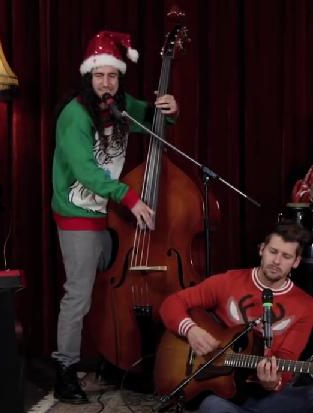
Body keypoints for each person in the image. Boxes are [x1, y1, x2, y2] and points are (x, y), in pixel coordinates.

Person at [51, 31, 179, 404]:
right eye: (99, 76)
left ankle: (114, 360)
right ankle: (64, 371)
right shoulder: (75, 115)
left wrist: (168, 109)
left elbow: (157, 120)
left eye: (112, 76)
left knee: (115, 284)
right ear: (87, 77)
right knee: (78, 295)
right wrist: (132, 199)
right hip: (78, 215)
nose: (106, 83)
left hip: (107, 213)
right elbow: (86, 171)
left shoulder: (119, 104)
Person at [159, 222, 313, 413]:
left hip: (261, 393)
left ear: (296, 262)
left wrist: (274, 382)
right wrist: (190, 330)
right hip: (220, 388)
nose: (277, 261)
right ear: (262, 250)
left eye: (286, 256)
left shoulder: (306, 305)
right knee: (212, 406)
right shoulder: (228, 281)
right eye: (273, 251)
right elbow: (171, 303)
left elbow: (286, 360)